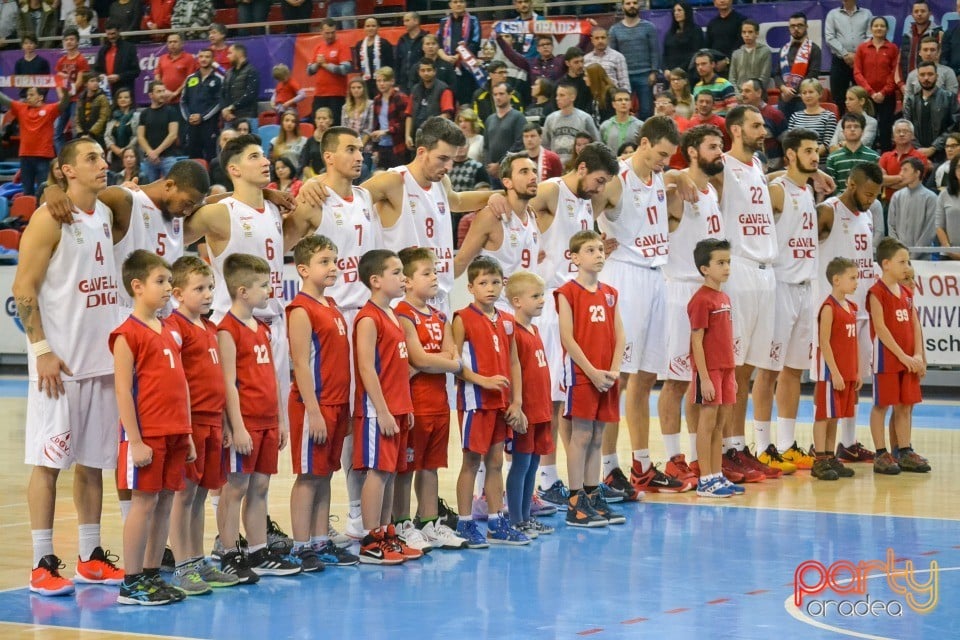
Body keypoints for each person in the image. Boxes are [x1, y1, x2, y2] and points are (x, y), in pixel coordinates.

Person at [13, 138, 124, 597]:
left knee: (93, 465)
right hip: (59, 365)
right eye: (92, 159)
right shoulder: (47, 218)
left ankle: (90, 557)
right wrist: (40, 349)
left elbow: (158, 190)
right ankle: (41, 563)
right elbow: (23, 288)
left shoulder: (105, 211)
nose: (104, 164)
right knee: (48, 462)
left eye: (103, 156)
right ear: (66, 170)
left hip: (100, 362)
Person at [592, 117, 693, 495]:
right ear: (644, 142)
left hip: (655, 275)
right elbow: (583, 210)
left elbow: (673, 181)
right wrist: (591, 243)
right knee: (616, 376)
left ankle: (642, 464)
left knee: (648, 375)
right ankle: (606, 468)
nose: (665, 161)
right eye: (661, 154)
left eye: (670, 157)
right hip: (623, 275)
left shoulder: (660, 177)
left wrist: (678, 177)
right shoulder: (616, 178)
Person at [521, 143, 620, 508]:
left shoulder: (585, 202)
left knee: (565, 399)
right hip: (548, 303)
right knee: (547, 398)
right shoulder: (551, 191)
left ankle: (572, 479)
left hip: (574, 302)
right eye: (598, 180)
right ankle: (546, 479)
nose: (600, 187)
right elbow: (513, 207)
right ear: (581, 169)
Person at [110, 250, 193, 605]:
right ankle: (130, 583)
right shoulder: (127, 334)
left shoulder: (170, 329)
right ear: (137, 286)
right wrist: (137, 440)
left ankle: (151, 574)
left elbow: (183, 384)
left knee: (164, 503)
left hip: (175, 432)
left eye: (168, 281)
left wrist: (187, 432)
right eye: (160, 281)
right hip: (147, 436)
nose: (167, 287)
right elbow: (122, 391)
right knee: (144, 504)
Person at [215, 254, 300, 580]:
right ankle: (228, 552)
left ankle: (257, 551)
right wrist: (236, 427)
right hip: (246, 423)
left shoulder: (262, 327)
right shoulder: (227, 330)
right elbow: (228, 384)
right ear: (242, 291)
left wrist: (280, 420)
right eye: (263, 285)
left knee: (261, 487)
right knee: (235, 489)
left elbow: (274, 378)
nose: (269, 290)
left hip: (266, 420)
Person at [285, 235, 361, 571]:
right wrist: (313, 412)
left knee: (325, 474)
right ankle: (300, 546)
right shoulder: (301, 309)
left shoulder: (331, 306)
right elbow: (301, 363)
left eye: (334, 260)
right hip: (313, 407)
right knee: (308, 477)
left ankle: (320, 539)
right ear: (302, 269)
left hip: (336, 403)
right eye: (324, 262)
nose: (333, 267)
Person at [166, 256, 240, 592]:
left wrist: (225, 421)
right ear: (178, 293)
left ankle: (196, 561)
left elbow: (221, 383)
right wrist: (184, 429)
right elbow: (176, 381)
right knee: (184, 496)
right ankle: (182, 565)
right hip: (191, 423)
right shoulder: (175, 328)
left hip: (212, 422)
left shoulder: (210, 328)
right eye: (199, 289)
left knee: (198, 498)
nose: (209, 294)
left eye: (210, 287)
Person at [714, 105, 779, 482]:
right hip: (738, 268)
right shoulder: (721, 167)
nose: (763, 129)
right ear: (736, 130)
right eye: (756, 125)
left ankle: (737, 446)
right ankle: (723, 449)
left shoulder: (757, 168)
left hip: (765, 272)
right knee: (733, 369)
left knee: (749, 367)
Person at [751, 129, 822, 475]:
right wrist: (775, 175)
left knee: (794, 370)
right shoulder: (776, 191)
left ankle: (786, 443)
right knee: (769, 369)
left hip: (805, 286)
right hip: (779, 284)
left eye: (817, 151)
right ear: (791, 154)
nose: (815, 156)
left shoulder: (807, 190)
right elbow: (755, 191)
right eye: (808, 151)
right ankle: (762, 446)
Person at [659, 125, 726, 480]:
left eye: (721, 145)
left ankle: (698, 456)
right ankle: (673, 458)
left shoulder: (712, 190)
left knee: (699, 382)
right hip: (681, 290)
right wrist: (671, 174)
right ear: (693, 151)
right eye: (713, 146)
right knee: (675, 380)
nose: (720, 152)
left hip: (709, 294)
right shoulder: (676, 190)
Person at [451, 256, 527, 546]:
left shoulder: (508, 321)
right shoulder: (462, 318)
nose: (490, 288)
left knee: (496, 463)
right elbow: (454, 363)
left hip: (501, 402)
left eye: (495, 282)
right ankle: (465, 522)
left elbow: (514, 362)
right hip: (475, 401)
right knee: (471, 462)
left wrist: (517, 401)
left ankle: (497, 521)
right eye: (483, 282)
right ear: (471, 287)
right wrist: (482, 380)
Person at [394, 247, 467, 550]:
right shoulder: (402, 313)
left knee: (431, 467)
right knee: (406, 468)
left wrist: (435, 361)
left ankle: (429, 522)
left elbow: (452, 354)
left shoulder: (440, 315)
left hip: (439, 403)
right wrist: (443, 362)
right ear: (407, 281)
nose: (435, 276)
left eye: (435, 271)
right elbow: (421, 358)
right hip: (414, 404)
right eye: (427, 273)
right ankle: (401, 524)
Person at [352, 249, 420, 563]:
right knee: (378, 473)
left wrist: (404, 405)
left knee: (390, 472)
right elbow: (366, 368)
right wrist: (381, 409)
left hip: (397, 406)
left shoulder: (392, 314)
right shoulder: (368, 317)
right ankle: (370, 539)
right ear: (376, 280)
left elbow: (398, 367)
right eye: (396, 272)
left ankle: (387, 532)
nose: (403, 277)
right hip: (376, 410)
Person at [556, 230, 626, 526]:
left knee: (598, 437)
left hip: (607, 375)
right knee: (581, 435)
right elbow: (567, 338)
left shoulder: (610, 293)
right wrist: (592, 372)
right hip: (582, 374)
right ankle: (575, 501)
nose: (599, 254)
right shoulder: (567, 292)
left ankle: (592, 492)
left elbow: (620, 334)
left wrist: (614, 369)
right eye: (590, 250)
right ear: (574, 257)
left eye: (601, 249)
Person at [816, 161, 884, 463]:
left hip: (859, 310)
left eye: (876, 195)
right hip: (833, 310)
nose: (871, 200)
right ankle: (822, 450)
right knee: (832, 381)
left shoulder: (868, 216)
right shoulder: (829, 210)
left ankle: (848, 441)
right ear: (852, 185)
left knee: (855, 378)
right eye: (868, 193)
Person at [868, 237, 930, 474]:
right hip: (888, 359)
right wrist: (904, 357)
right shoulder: (876, 292)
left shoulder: (906, 291)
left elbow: (915, 323)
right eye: (902, 261)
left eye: (908, 261)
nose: (907, 266)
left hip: (908, 359)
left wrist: (918, 354)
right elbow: (881, 329)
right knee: (882, 405)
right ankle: (881, 453)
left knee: (905, 405)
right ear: (886, 264)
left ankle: (904, 450)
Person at [688, 238, 741, 498]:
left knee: (721, 424)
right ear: (704, 268)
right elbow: (696, 340)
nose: (727, 267)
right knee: (706, 424)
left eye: (728, 262)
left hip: (726, 369)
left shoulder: (725, 296)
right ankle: (705, 479)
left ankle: (717, 475)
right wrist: (705, 378)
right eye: (720, 263)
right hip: (709, 372)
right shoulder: (701, 300)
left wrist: (731, 372)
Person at [454, 152, 539, 311]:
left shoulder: (532, 215)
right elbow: (460, 262)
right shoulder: (490, 216)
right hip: (498, 311)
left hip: (527, 313)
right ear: (507, 182)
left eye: (534, 170)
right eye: (524, 171)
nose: (533, 176)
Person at [811, 257, 861, 481]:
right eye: (852, 278)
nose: (856, 282)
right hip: (831, 373)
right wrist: (836, 372)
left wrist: (856, 371)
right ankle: (819, 460)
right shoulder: (829, 308)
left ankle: (830, 457)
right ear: (836, 279)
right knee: (824, 416)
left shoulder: (851, 307)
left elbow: (853, 343)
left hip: (847, 371)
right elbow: (824, 342)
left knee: (835, 417)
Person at [0, 87, 69, 197]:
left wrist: (66, 92)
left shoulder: (50, 109)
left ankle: (43, 213)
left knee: (44, 192)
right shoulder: (20, 108)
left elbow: (64, 104)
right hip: (25, 157)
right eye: (27, 95)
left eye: (31, 95)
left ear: (40, 97)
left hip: (44, 157)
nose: (28, 97)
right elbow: (4, 100)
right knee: (27, 191)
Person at [608, 0, 660, 119]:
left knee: (647, 111)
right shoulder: (614, 30)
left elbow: (655, 51)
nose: (632, 5)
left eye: (634, 3)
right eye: (628, 3)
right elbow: (612, 56)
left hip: (645, 75)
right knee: (623, 111)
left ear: (639, 5)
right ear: (622, 6)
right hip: (624, 76)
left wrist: (654, 71)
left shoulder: (649, 27)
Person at [855, 17, 900, 152]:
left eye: (882, 26)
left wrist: (884, 92)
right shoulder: (862, 48)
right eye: (876, 26)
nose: (879, 28)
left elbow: (895, 72)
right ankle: (869, 158)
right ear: (871, 29)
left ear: (887, 29)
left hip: (887, 96)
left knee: (885, 129)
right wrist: (870, 92)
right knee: (868, 129)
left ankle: (886, 158)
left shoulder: (892, 48)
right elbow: (857, 72)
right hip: (867, 97)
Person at [902, 61, 960, 164]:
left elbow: (954, 126)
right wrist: (920, 151)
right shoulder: (911, 101)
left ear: (937, 76)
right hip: (916, 154)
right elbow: (907, 128)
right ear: (917, 77)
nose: (926, 78)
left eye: (930, 74)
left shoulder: (949, 98)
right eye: (922, 75)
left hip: (943, 154)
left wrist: (934, 148)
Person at [825, 0, 873, 116]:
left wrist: (857, 55)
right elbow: (829, 37)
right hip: (839, 62)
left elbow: (870, 36)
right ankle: (841, 127)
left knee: (863, 96)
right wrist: (845, 54)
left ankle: (865, 125)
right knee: (838, 98)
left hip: (861, 62)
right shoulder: (833, 14)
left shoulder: (867, 14)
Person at [887, 157, 938, 258]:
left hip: (923, 259)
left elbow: (930, 230)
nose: (901, 173)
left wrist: (914, 255)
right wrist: (900, 252)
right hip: (900, 256)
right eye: (901, 170)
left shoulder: (931, 197)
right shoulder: (897, 196)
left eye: (905, 170)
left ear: (917, 173)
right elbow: (891, 226)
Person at [775, 13, 822, 119]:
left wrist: (791, 92)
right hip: (784, 99)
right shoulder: (783, 49)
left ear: (806, 26)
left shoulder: (814, 49)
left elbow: (812, 75)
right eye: (792, 26)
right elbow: (776, 74)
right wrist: (783, 89)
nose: (796, 28)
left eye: (800, 25)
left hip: (804, 99)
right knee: (784, 134)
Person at [541, 83, 600, 167]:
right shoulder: (550, 119)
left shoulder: (585, 118)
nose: (557, 98)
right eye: (557, 95)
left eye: (562, 95)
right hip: (556, 166)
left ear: (572, 97)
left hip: (578, 165)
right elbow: (545, 146)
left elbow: (597, 143)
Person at [436, 0, 483, 107]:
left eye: (461, 1)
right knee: (447, 102)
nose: (458, 4)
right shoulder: (443, 21)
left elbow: (475, 43)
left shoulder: (473, 20)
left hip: (467, 68)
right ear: (450, 5)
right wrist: (445, 57)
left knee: (466, 102)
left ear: (466, 4)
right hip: (447, 66)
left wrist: (459, 56)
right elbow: (438, 44)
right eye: (455, 2)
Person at [181, 49, 223, 163]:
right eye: (201, 57)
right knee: (193, 160)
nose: (204, 59)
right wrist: (189, 117)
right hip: (192, 126)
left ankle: (212, 181)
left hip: (210, 126)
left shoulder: (218, 79)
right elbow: (183, 101)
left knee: (211, 159)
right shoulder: (191, 78)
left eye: (207, 57)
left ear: (213, 59)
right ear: (198, 59)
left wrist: (202, 117)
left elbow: (219, 103)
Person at [307, 20, 351, 127]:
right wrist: (318, 64)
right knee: (317, 125)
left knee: (335, 126)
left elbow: (345, 69)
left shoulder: (342, 46)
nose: (330, 35)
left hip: (337, 95)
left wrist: (325, 65)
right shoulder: (318, 47)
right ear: (321, 32)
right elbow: (309, 71)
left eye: (333, 32)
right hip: (320, 94)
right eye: (327, 33)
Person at [54, 27, 90, 154]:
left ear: (77, 41)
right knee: (57, 132)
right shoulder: (61, 61)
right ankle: (61, 158)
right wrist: (61, 95)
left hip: (76, 99)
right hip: (65, 100)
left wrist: (67, 95)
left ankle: (76, 157)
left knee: (76, 131)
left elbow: (79, 82)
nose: (69, 42)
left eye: (72, 39)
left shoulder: (81, 60)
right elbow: (58, 81)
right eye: (67, 39)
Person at [482, 83, 526, 184]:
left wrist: (500, 164)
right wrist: (488, 166)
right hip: (493, 174)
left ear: (510, 95)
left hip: (511, 170)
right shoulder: (490, 119)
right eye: (495, 94)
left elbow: (519, 144)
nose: (498, 97)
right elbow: (486, 146)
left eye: (501, 94)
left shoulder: (518, 117)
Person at [826, 113, 882, 192]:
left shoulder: (874, 157)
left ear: (862, 131)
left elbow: (877, 185)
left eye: (856, 126)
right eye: (848, 127)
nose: (852, 129)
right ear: (843, 132)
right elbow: (831, 186)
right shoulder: (833, 158)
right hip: (840, 202)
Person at [407, 59, 457, 147]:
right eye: (423, 70)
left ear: (435, 71)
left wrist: (428, 126)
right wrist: (407, 136)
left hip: (436, 139)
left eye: (429, 70)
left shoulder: (444, 89)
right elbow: (409, 115)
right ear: (419, 72)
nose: (426, 73)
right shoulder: (415, 89)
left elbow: (446, 115)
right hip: (416, 137)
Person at [879, 120, 932, 202]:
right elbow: (880, 180)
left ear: (913, 136)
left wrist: (888, 183)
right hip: (888, 202)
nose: (901, 134)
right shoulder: (885, 156)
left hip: (912, 201)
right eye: (898, 131)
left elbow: (913, 182)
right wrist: (902, 178)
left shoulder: (920, 157)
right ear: (893, 137)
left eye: (905, 131)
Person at [137, 82, 180, 183]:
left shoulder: (171, 111)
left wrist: (156, 152)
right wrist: (150, 153)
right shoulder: (144, 113)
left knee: (173, 187)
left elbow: (173, 135)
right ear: (151, 95)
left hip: (168, 157)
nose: (162, 94)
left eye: (163, 91)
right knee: (148, 192)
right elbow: (140, 137)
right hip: (149, 160)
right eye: (159, 91)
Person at [370, 67, 410, 171]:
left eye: (385, 80)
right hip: (382, 146)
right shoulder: (377, 100)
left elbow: (404, 124)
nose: (381, 84)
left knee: (398, 177)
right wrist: (375, 148)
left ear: (392, 81)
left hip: (397, 146)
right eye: (379, 81)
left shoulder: (400, 98)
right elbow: (376, 125)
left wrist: (386, 132)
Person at [787, 79, 837, 158]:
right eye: (804, 93)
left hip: (819, 162)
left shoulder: (829, 116)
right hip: (798, 161)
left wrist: (809, 157)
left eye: (811, 92)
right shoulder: (795, 116)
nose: (807, 95)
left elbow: (827, 144)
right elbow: (789, 142)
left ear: (820, 94)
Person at [94, 21, 141, 97]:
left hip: (125, 92)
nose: (111, 37)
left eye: (113, 33)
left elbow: (136, 71)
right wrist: (101, 75)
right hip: (106, 92)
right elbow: (96, 70)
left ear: (119, 31)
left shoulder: (129, 48)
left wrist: (119, 77)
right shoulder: (103, 50)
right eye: (108, 34)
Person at [900, 1, 942, 84]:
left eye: (923, 11)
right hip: (907, 85)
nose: (919, 14)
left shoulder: (938, 34)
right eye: (916, 11)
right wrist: (901, 84)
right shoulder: (906, 36)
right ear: (912, 14)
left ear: (930, 13)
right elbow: (899, 63)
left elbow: (941, 62)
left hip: (930, 85)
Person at [220, 44, 259, 132]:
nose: (227, 56)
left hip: (247, 117)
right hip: (229, 119)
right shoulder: (228, 73)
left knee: (249, 144)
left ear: (239, 54)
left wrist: (231, 107)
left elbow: (250, 94)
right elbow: (222, 94)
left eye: (230, 53)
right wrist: (224, 110)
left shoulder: (251, 71)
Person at [729, 20, 772, 96]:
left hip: (758, 95)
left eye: (750, 32)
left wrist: (752, 93)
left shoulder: (765, 52)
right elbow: (732, 78)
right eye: (744, 32)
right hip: (739, 96)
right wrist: (738, 94)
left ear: (757, 33)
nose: (747, 35)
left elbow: (764, 77)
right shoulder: (736, 54)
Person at [355, 18, 395, 100]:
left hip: (382, 82)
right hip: (366, 82)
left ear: (378, 27)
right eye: (368, 26)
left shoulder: (384, 43)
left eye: (373, 26)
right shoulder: (359, 45)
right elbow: (359, 64)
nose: (370, 28)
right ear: (364, 28)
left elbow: (390, 64)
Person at [828, 87, 878, 152]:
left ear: (861, 101)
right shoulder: (841, 121)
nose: (846, 102)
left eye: (851, 99)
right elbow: (832, 146)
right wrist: (843, 145)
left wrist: (842, 144)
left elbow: (861, 144)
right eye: (846, 99)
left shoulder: (871, 122)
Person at [663, 2, 704, 79]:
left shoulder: (695, 30)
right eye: (674, 11)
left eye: (679, 10)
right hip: (671, 75)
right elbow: (665, 54)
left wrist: (679, 70)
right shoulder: (670, 33)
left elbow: (696, 53)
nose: (676, 13)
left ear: (687, 12)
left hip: (688, 73)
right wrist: (665, 69)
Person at [155, 33, 198, 106]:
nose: (172, 44)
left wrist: (175, 93)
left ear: (182, 44)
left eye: (175, 42)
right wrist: (163, 91)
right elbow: (157, 75)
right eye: (170, 42)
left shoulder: (189, 58)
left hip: (182, 100)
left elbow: (190, 79)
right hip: (165, 98)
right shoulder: (162, 58)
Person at [704, 0, 745, 73]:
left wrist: (727, 60)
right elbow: (708, 46)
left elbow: (742, 44)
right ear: (714, 2)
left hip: (737, 67)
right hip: (715, 68)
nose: (722, 1)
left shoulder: (741, 20)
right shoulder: (712, 23)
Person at [692, 49, 737, 116]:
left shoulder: (725, 85)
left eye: (703, 64)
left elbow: (732, 112)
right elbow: (696, 112)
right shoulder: (697, 87)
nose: (700, 67)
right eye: (698, 65)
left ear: (713, 64)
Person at [584, 27, 630, 92]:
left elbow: (624, 83)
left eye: (603, 38)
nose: (600, 41)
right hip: (591, 96)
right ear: (592, 40)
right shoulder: (586, 59)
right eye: (597, 38)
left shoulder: (618, 57)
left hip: (613, 96)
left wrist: (623, 97)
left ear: (608, 39)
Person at [599, 89, 643, 154]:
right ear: (613, 104)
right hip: (611, 163)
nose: (623, 102)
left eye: (626, 100)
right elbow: (600, 150)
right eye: (620, 100)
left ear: (630, 103)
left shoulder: (640, 125)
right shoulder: (605, 126)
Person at [74, 72, 110, 148]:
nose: (95, 83)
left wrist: (90, 134)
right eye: (92, 81)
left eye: (97, 81)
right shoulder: (81, 98)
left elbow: (103, 118)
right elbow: (76, 118)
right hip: (82, 136)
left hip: (97, 135)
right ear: (85, 84)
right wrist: (81, 134)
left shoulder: (102, 97)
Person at [396, 12, 427, 92]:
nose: (404, 23)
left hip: (421, 82)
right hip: (404, 84)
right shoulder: (402, 39)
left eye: (407, 21)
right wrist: (396, 83)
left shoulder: (426, 38)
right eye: (404, 21)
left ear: (416, 21)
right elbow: (397, 62)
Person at [936, 154, 960, 258]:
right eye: (959, 167)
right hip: (948, 256)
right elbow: (939, 226)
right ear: (954, 171)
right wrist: (949, 250)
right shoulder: (944, 195)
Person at [299, 107, 334, 179]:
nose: (321, 121)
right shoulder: (310, 141)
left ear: (331, 121)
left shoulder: (335, 139)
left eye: (324, 118)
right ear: (315, 120)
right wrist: (313, 180)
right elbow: (305, 165)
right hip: (314, 177)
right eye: (318, 118)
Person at [14, 35, 50, 99]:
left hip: (39, 98)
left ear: (35, 45)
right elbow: (17, 83)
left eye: (31, 43)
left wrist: (41, 96)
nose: (28, 45)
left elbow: (47, 82)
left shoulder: (42, 62)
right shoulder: (19, 63)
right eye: (26, 43)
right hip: (24, 97)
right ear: (22, 46)